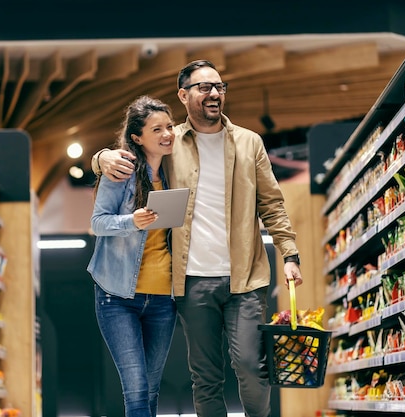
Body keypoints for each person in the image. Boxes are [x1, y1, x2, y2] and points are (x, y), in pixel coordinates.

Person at [91, 60, 303, 417]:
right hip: (191, 281)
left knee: (252, 367)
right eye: (204, 87)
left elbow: (272, 204)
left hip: (246, 277)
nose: (214, 94)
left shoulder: (250, 143)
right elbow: (132, 151)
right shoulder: (172, 144)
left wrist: (290, 253)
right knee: (205, 378)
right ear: (183, 95)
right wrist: (101, 158)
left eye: (219, 87)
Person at [86, 95, 177, 417]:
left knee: (151, 390)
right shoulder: (120, 171)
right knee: (136, 390)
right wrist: (131, 221)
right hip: (118, 296)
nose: (167, 134)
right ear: (137, 138)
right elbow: (97, 224)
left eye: (169, 126)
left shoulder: (174, 172)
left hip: (163, 298)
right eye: (157, 129)